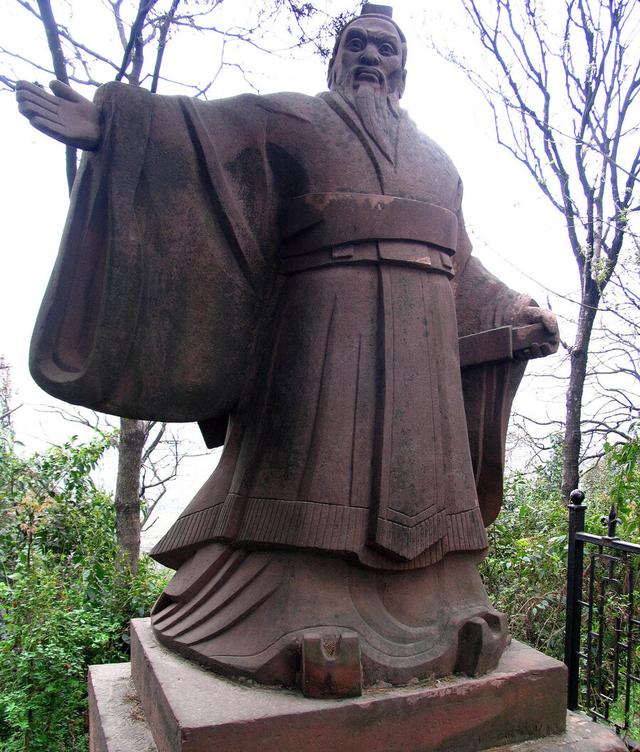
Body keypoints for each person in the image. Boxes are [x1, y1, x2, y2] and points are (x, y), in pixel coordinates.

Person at [17, 4, 558, 697]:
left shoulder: (440, 166)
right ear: (335, 61)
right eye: (356, 44)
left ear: (403, 69)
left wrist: (513, 309)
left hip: (422, 351)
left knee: (424, 478)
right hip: (322, 324)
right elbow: (208, 134)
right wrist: (115, 126)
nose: (371, 57)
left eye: (386, 48)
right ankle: (298, 618)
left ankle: (448, 611)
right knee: (311, 466)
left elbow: (462, 266)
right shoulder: (295, 118)